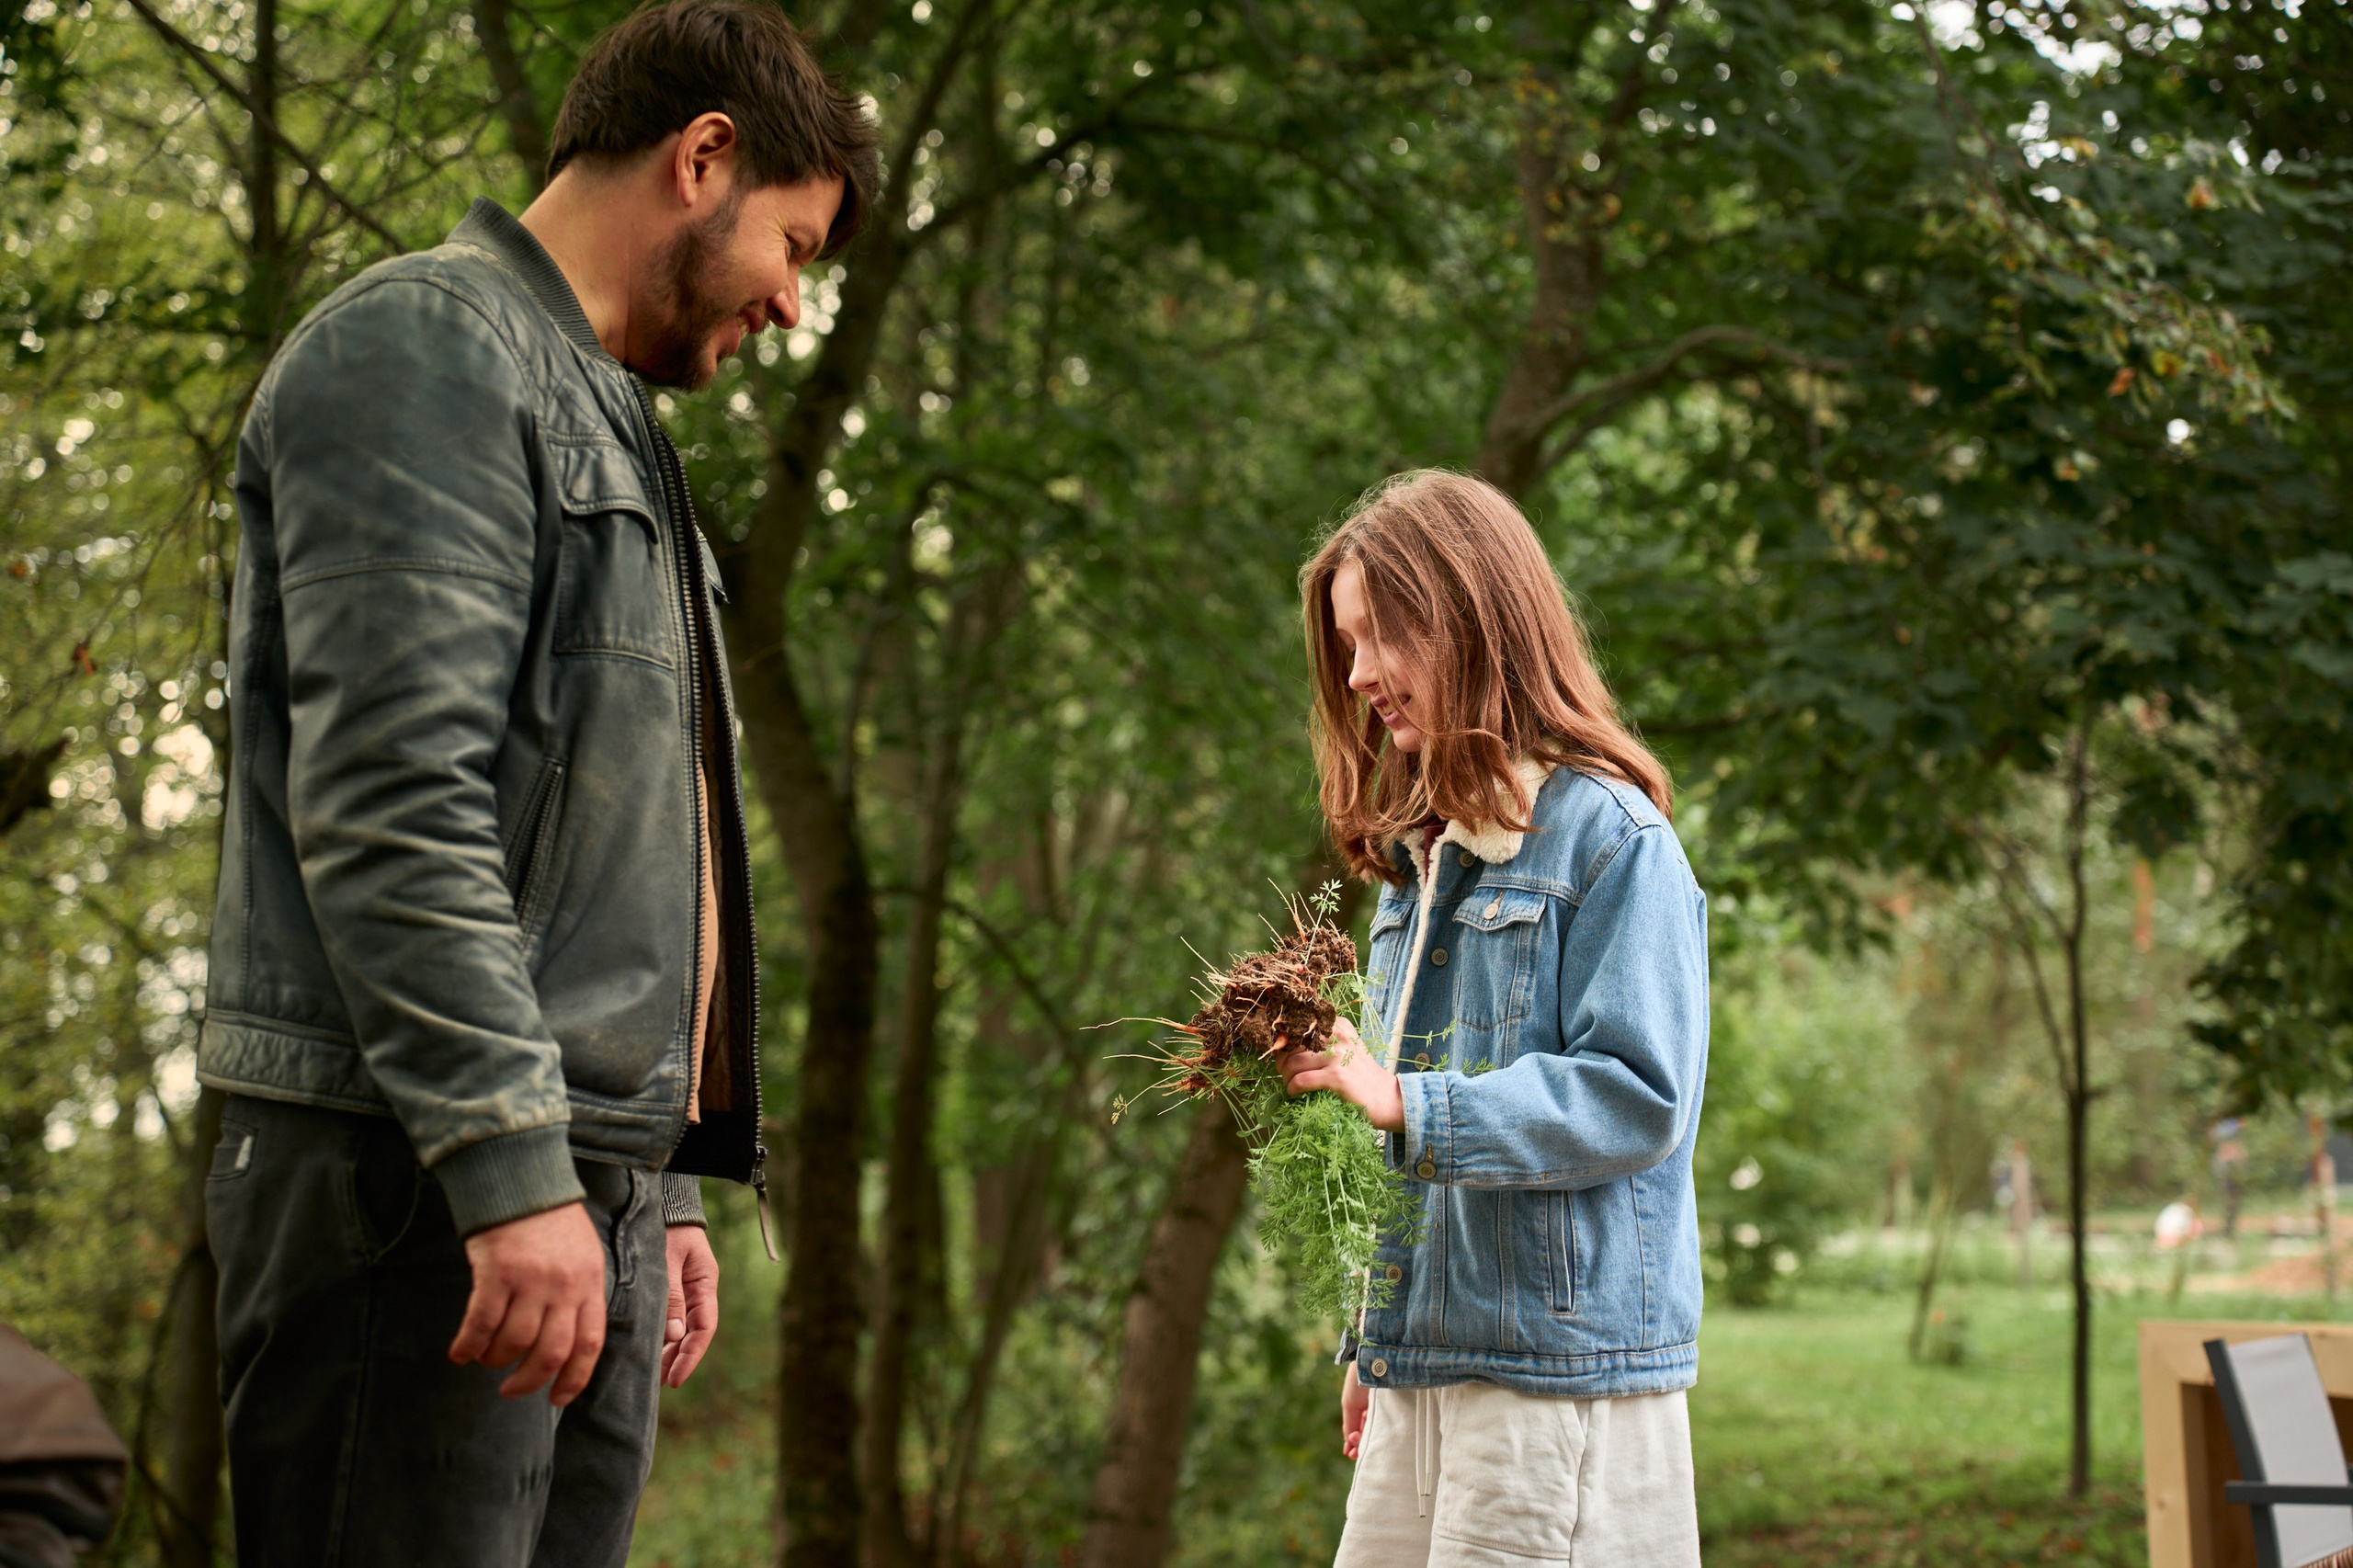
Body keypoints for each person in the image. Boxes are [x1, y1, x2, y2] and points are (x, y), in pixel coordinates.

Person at [194, 5, 876, 1563]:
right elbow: (396, 804)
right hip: (417, 1184)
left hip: (580, 1189)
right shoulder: (424, 351)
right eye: (792, 243)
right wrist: (509, 1173)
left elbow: (615, 846)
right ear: (702, 158)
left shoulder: (620, 431)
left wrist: (666, 1180)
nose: (791, 301)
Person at [1277, 471, 1709, 1568]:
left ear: (1472, 618)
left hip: (1550, 1387)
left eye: (1382, 635)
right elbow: (1399, 1146)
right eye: (1348, 644)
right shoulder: (1419, 862)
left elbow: (1638, 1096)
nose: (1358, 674)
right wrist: (1375, 1333)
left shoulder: (1613, 840)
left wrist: (1404, 1099)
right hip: (1421, 1371)